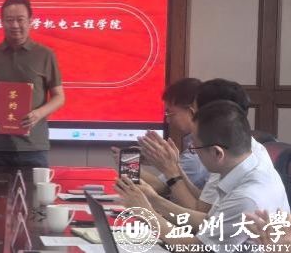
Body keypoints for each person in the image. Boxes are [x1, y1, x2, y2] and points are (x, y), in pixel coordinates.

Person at [116, 100, 289, 248]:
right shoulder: (249, 161)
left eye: (195, 147)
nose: (194, 152)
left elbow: (196, 247)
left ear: (217, 153)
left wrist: (145, 212)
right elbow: (209, 221)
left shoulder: (247, 197)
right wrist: (154, 200)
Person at [0, 0, 65, 170]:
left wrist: (39, 113)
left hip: (34, 147)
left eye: (20, 19)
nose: (14, 25)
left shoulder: (45, 55)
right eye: (9, 20)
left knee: (35, 190)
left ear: (30, 21)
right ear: (2, 22)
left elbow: (59, 96)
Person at [114, 78, 207, 197]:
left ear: (191, 112)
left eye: (170, 113)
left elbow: (162, 189)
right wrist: (157, 160)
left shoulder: (196, 154)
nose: (168, 120)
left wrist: (128, 164)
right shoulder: (193, 145)